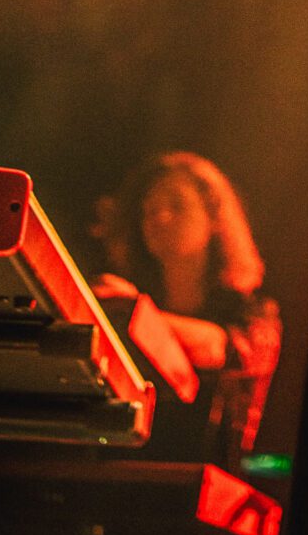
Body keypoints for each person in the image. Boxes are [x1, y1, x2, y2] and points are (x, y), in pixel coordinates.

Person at [92, 150, 281, 466]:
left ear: (214, 217)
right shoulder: (134, 296)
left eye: (176, 206)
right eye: (149, 210)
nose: (159, 218)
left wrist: (135, 311)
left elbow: (218, 347)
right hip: (120, 471)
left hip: (207, 484)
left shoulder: (252, 310)